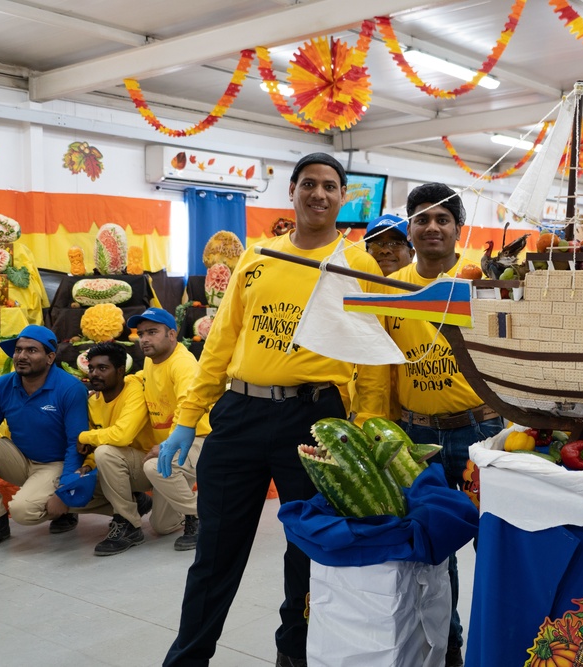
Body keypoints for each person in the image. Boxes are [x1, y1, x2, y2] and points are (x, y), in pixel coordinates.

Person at [160, 152, 388, 667]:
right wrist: (185, 419)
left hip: (314, 419)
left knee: (306, 550)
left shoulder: (361, 264)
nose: (319, 194)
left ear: (342, 196)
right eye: (309, 184)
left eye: (330, 186)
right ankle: (188, 658)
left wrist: (370, 424)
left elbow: (371, 359)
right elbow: (220, 342)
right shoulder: (259, 256)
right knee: (215, 552)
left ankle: (295, 656)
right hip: (239, 413)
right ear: (292, 190)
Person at [382, 183, 505, 667]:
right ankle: (449, 646)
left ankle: (494, 642)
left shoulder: (485, 283)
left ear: (458, 229)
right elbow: (381, 367)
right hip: (416, 438)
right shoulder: (392, 289)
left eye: (443, 219)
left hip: (482, 433)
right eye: (422, 219)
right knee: (433, 552)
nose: (432, 227)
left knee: (495, 542)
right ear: (409, 229)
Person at [0, 325, 88, 549]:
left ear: (50, 357)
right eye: (18, 350)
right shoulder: (2, 386)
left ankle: (66, 510)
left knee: (23, 513)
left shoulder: (70, 389)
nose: (21, 356)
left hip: (55, 464)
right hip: (20, 458)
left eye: (31, 351)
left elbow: (77, 443)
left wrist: (65, 491)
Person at [134, 307, 211, 552]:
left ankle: (203, 516)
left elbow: (186, 408)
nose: (144, 338)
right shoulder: (150, 359)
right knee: (162, 525)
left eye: (152, 332)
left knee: (154, 465)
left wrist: (166, 444)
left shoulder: (183, 363)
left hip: (199, 438)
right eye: (141, 333)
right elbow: (144, 378)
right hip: (180, 444)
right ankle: (199, 509)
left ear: (172, 335)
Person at [74, 341, 157, 556]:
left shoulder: (133, 391)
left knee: (164, 526)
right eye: (91, 368)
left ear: (120, 371)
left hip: (151, 466)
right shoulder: (94, 402)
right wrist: (88, 464)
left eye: (103, 368)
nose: (95, 374)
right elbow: (100, 441)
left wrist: (84, 436)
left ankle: (129, 526)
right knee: (69, 492)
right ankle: (137, 501)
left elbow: (121, 435)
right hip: (122, 466)